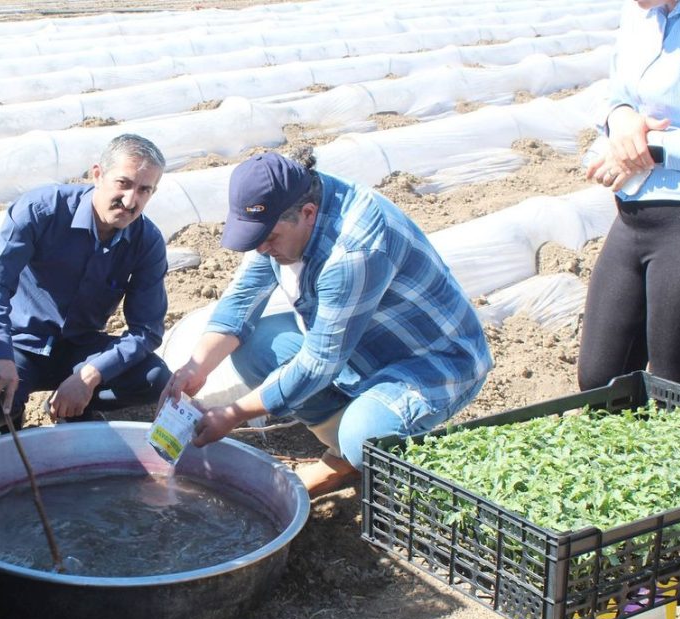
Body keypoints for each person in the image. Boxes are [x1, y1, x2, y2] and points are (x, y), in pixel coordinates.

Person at [162, 152, 492, 497]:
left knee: (363, 436)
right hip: (359, 345)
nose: (262, 248)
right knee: (255, 349)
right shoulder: (288, 205)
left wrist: (233, 413)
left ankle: (351, 452)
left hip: (434, 362)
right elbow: (244, 298)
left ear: (307, 214)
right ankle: (346, 432)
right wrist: (195, 368)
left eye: (270, 238)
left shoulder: (353, 251)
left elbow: (320, 363)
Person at [0, 134, 172, 431]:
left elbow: (146, 331)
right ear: (98, 175)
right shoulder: (41, 211)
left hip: (81, 346)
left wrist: (90, 375)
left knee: (154, 379)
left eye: (144, 190)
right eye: (124, 183)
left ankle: (76, 404)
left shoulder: (147, 242)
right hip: (22, 342)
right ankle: (13, 420)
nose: (131, 200)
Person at [580, 0, 680, 390]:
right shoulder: (637, 14)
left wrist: (651, 148)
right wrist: (619, 117)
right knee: (601, 379)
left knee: (674, 383)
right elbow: (615, 91)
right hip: (632, 212)